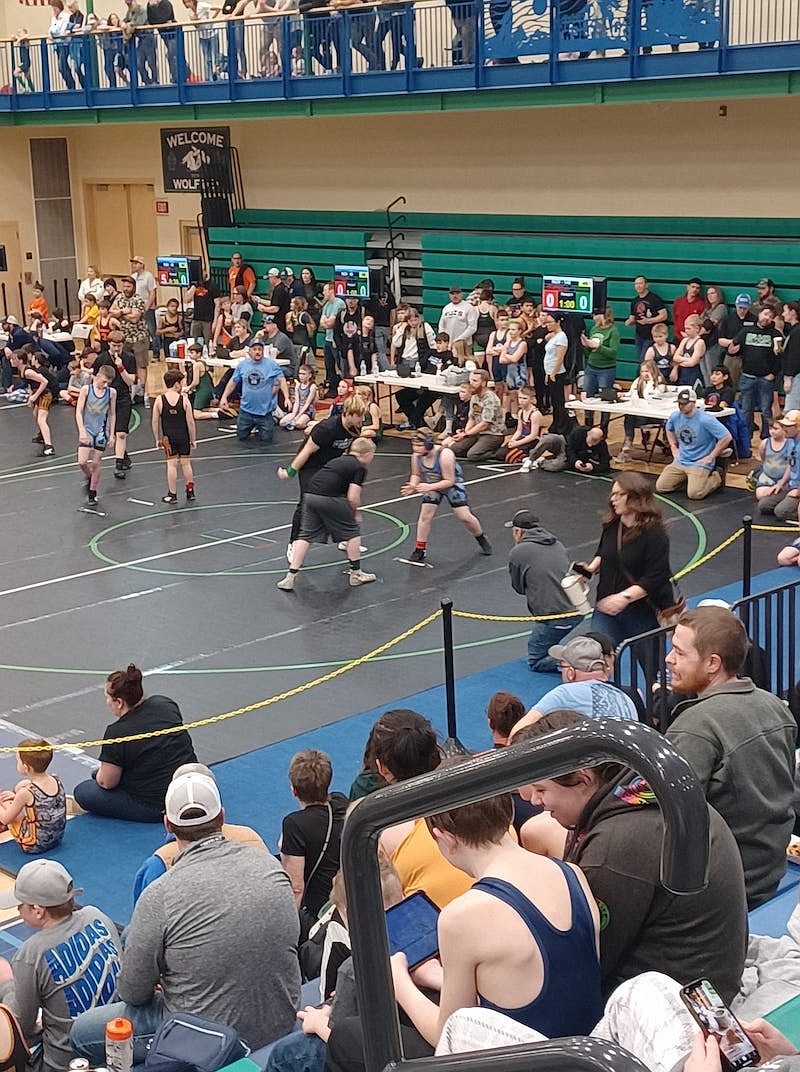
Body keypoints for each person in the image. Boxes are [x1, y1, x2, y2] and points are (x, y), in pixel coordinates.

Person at [515, 713, 748, 1002]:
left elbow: (586, 963)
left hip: (682, 1008)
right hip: (708, 977)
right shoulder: (649, 790)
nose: (535, 802)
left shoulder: (615, 849)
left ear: (584, 779)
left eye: (541, 790)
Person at [70, 772, 301, 1060]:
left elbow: (132, 992)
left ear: (168, 824)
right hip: (279, 1019)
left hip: (207, 1038)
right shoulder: (268, 864)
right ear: (222, 817)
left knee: (81, 1032)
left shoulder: (161, 894)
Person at [388, 791, 602, 1045]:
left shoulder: (462, 917)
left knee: (349, 1037)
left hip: (525, 1063)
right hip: (587, 1055)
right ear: (508, 813)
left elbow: (448, 1038)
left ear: (443, 837)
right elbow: (536, 984)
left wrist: (399, 981)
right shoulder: (571, 874)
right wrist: (435, 977)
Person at [665, 606, 797, 908]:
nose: (668, 659)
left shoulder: (697, 726)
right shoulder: (775, 706)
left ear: (712, 663)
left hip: (718, 889)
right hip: (767, 874)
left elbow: (663, 814)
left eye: (679, 653)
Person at [0, 860, 122, 1072]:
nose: (18, 909)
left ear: (38, 910)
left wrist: (7, 984)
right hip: (118, 1044)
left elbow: (22, 1027)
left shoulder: (31, 954)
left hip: (64, 1063)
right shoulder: (97, 916)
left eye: (21, 904)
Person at [72, 664, 197, 823]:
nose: (107, 702)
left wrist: (99, 775)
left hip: (154, 806)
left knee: (84, 791)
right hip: (189, 786)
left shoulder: (117, 733)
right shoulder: (165, 703)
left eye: (107, 697)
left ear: (118, 702)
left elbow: (107, 783)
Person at [133, 762, 267, 904]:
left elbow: (143, 918)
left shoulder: (159, 865)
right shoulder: (251, 839)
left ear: (168, 824)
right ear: (221, 815)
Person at [577, 472, 676, 649]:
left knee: (651, 666)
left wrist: (624, 597)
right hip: (606, 606)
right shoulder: (612, 525)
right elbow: (604, 551)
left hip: (641, 611)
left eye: (619, 494)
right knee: (596, 656)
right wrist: (589, 570)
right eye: (612, 494)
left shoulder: (655, 534)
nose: (613, 499)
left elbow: (656, 576)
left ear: (636, 496)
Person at [277, 438, 378, 591]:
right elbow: (353, 496)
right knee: (353, 532)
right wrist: (355, 512)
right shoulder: (359, 467)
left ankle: (290, 576)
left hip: (310, 495)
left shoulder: (338, 460)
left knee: (305, 535)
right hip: (330, 497)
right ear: (368, 454)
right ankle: (356, 574)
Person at [278, 396, 366, 562]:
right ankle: (294, 543)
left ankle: (346, 539)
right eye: (360, 415)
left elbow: (349, 450)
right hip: (311, 466)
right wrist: (290, 471)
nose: (362, 419)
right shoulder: (327, 429)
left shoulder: (354, 428)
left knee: (345, 500)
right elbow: (306, 451)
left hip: (331, 466)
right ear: (349, 414)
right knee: (306, 501)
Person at [506, 509, 583, 673]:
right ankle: (570, 654)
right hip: (577, 607)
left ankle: (576, 663)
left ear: (518, 532)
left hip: (556, 616)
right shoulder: (557, 544)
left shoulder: (518, 552)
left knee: (536, 659)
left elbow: (518, 587)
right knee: (546, 641)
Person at [400, 433, 492, 564]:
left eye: (419, 445)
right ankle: (420, 549)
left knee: (464, 517)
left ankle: (481, 538)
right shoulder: (416, 456)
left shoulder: (445, 454)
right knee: (425, 516)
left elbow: (449, 480)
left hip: (451, 485)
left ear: (429, 444)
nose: (416, 449)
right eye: (414, 445)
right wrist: (413, 484)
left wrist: (428, 486)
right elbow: (416, 474)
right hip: (431, 484)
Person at [280, 750, 349, 925]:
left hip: (320, 914)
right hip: (349, 899)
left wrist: (289, 928)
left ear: (294, 791)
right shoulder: (341, 803)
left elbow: (296, 888)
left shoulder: (294, 825)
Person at [518, 636, 639, 723]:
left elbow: (520, 731)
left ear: (571, 673)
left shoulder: (565, 693)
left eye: (562, 666)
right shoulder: (624, 697)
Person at [655, 387, 732, 500]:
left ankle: (716, 477)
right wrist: (673, 447)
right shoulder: (675, 416)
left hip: (699, 461)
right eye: (680, 403)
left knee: (695, 494)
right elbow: (669, 428)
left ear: (693, 403)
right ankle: (690, 480)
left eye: (685, 404)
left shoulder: (705, 419)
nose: (681, 406)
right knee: (661, 487)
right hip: (682, 460)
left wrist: (711, 456)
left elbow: (726, 437)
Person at [726, 303, 781, 443]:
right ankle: (746, 439)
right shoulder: (746, 331)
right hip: (747, 376)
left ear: (773, 319)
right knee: (746, 410)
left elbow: (781, 358)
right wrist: (731, 348)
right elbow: (734, 349)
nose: (766, 318)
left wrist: (773, 374)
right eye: (765, 314)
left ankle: (766, 439)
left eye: (770, 316)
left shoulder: (776, 335)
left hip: (766, 378)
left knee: (765, 410)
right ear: (759, 314)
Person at [0, 738, 66, 855]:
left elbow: (5, 819)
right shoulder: (55, 779)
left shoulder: (26, 793)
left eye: (18, 761)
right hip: (57, 838)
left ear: (26, 768)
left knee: (5, 804)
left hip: (34, 845)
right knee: (22, 785)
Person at [219, 337, 290, 444]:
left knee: (267, 439)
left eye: (260, 349)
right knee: (241, 436)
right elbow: (233, 381)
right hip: (246, 411)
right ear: (249, 351)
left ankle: (273, 420)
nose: (257, 352)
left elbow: (282, 380)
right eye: (255, 349)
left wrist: (287, 397)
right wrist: (224, 396)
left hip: (264, 413)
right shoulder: (242, 365)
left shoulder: (272, 365)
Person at [93, 332, 136, 480]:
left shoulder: (129, 358)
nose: (116, 348)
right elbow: (95, 378)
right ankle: (123, 455)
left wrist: (121, 367)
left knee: (121, 433)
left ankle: (118, 464)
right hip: (106, 398)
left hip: (123, 397)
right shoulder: (101, 359)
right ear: (109, 344)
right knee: (109, 431)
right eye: (114, 345)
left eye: (119, 345)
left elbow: (131, 381)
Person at [151, 370, 197, 504]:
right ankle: (190, 492)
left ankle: (172, 494)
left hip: (168, 438)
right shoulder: (184, 400)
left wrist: (157, 438)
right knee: (186, 464)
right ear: (176, 384)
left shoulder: (160, 400)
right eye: (181, 383)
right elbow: (190, 422)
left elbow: (155, 421)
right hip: (183, 436)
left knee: (171, 465)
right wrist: (193, 439)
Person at [75, 363, 116, 506]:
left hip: (100, 431)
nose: (105, 385)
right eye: (103, 381)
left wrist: (111, 435)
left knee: (96, 463)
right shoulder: (86, 390)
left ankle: (92, 492)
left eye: (108, 383)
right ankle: (90, 477)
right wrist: (81, 431)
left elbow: (112, 413)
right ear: (97, 376)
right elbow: (79, 411)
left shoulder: (111, 393)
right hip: (87, 429)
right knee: (82, 462)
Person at [616, 358, 667, 460]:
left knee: (630, 417)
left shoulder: (659, 383)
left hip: (653, 415)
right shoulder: (638, 381)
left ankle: (628, 441)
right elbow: (631, 393)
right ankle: (628, 440)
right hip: (639, 413)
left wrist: (651, 381)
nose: (644, 374)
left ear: (653, 370)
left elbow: (650, 396)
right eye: (642, 371)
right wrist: (623, 394)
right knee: (629, 415)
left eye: (646, 371)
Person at [451, 368, 505, 461]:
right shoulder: (475, 397)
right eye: (471, 380)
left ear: (483, 383)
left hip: (493, 434)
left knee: (473, 455)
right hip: (477, 433)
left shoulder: (490, 399)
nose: (471, 383)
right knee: (455, 449)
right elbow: (472, 418)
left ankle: (497, 454)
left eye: (475, 381)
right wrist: (465, 433)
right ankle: (475, 446)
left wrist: (466, 434)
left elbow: (485, 424)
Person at [580, 307, 620, 430]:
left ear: (603, 316)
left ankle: (604, 427)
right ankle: (588, 425)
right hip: (591, 367)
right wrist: (586, 346)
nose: (593, 318)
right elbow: (590, 352)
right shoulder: (594, 329)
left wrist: (597, 346)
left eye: (595, 315)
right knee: (588, 396)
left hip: (606, 369)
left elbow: (613, 352)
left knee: (605, 398)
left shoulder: (613, 331)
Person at [18, 350, 58, 458]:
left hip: (45, 394)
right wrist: (30, 398)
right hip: (39, 393)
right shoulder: (23, 370)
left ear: (20, 360)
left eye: (13, 359)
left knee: (41, 418)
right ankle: (42, 435)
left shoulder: (29, 371)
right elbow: (32, 384)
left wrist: (34, 396)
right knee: (36, 414)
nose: (11, 361)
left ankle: (49, 446)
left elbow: (44, 382)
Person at [754, 417, 793, 512]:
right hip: (768, 477)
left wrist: (784, 481)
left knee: (777, 494)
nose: (772, 432)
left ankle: (779, 498)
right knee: (760, 495)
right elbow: (763, 458)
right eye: (770, 429)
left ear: (784, 429)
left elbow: (791, 465)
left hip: (784, 478)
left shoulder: (790, 444)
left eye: (776, 429)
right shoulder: (765, 443)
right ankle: (776, 497)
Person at [625, 276, 668, 361]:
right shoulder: (634, 301)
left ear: (646, 285)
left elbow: (664, 315)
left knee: (644, 360)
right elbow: (632, 318)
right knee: (640, 359)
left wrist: (648, 321)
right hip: (639, 335)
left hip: (651, 335)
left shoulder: (654, 299)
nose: (638, 286)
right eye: (636, 284)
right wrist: (629, 322)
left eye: (640, 283)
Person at [541, 310, 570, 435]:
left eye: (550, 322)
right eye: (547, 323)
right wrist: (548, 373)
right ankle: (556, 423)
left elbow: (559, 357)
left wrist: (553, 373)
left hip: (557, 373)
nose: (548, 325)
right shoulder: (554, 336)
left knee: (558, 401)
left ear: (558, 322)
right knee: (554, 401)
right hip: (551, 372)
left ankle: (562, 426)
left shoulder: (561, 337)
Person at [507, 385, 542, 468]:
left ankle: (531, 458)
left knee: (510, 458)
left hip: (531, 441)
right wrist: (512, 440)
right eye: (520, 398)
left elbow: (533, 435)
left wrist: (517, 443)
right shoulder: (521, 412)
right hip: (522, 438)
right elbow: (519, 430)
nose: (521, 401)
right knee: (500, 454)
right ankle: (526, 457)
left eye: (524, 398)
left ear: (531, 399)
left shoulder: (535, 414)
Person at [438, 286, 478, 352]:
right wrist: (443, 340)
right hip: (448, 345)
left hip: (464, 345)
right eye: (452, 294)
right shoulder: (446, 308)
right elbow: (441, 326)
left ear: (461, 294)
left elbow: (472, 327)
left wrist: (459, 339)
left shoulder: (469, 307)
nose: (455, 296)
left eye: (457, 293)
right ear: (449, 295)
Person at [280, 363, 318, 431]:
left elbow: (307, 404)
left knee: (298, 424)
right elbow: (297, 402)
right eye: (300, 374)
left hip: (308, 411)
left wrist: (298, 416)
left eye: (304, 374)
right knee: (282, 423)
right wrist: (294, 414)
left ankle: (309, 423)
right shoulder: (298, 386)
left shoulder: (312, 387)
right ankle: (298, 421)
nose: (301, 376)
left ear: (309, 375)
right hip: (298, 409)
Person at [672, 277, 705, 342]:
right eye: (693, 287)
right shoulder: (678, 302)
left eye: (697, 288)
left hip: (693, 339)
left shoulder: (702, 304)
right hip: (678, 337)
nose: (695, 289)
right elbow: (676, 320)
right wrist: (680, 333)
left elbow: (700, 322)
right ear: (688, 287)